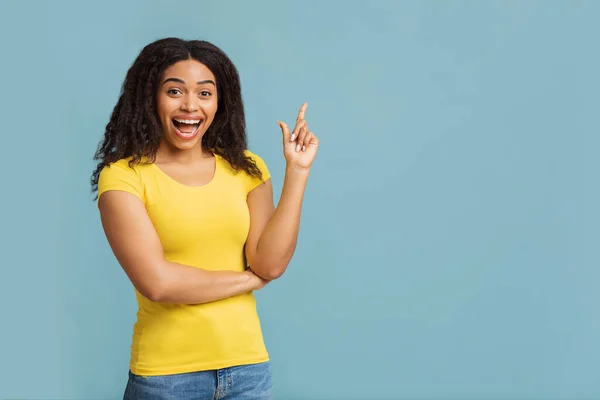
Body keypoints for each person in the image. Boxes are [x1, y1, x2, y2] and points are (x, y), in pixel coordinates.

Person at [90, 37, 319, 399]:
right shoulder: (123, 177)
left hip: (248, 370)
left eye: (204, 93)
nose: (190, 106)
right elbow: (158, 283)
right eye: (175, 91)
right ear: (150, 97)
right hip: (167, 378)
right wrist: (248, 281)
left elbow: (270, 264)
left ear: (219, 102)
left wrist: (297, 171)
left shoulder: (248, 168)